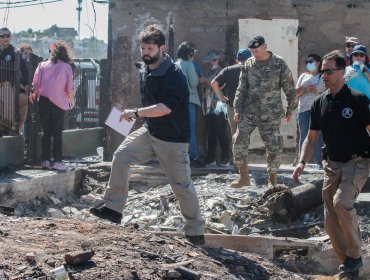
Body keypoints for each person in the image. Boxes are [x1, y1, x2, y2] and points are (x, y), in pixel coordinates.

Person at [89, 24, 205, 245]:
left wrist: (135, 113)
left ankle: (195, 232)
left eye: (149, 48)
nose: (145, 53)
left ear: (162, 48)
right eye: (142, 48)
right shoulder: (146, 68)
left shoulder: (174, 74)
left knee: (181, 186)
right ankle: (113, 209)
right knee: (121, 157)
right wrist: (134, 115)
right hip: (150, 131)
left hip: (172, 140)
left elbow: (165, 108)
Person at [293, 50, 370, 278]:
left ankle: (355, 256)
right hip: (332, 164)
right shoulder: (319, 103)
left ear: (341, 72)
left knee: (341, 203)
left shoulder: (357, 99)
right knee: (329, 219)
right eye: (322, 71)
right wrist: (301, 162)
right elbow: (312, 137)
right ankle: (346, 263)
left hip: (358, 161)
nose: (323, 75)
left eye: (328, 71)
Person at [232, 36, 295, 187]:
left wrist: (290, 108)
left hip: (270, 113)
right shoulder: (248, 64)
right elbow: (242, 88)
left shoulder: (279, 63)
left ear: (265, 47)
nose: (254, 53)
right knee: (238, 139)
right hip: (250, 111)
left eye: (257, 50)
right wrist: (237, 108)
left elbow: (289, 87)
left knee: (274, 145)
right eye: (252, 51)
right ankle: (244, 176)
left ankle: (272, 179)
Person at [29, 40, 74, 171]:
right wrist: (70, 99)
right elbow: (69, 87)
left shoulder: (42, 65)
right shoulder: (66, 67)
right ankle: (58, 161)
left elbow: (35, 83)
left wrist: (34, 95)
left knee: (46, 132)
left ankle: (45, 160)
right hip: (59, 103)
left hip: (43, 100)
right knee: (57, 133)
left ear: (52, 52)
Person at [211, 48, 252, 138]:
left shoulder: (228, 70)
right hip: (248, 108)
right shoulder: (253, 70)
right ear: (250, 59)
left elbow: (214, 83)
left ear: (237, 60)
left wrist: (221, 97)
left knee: (235, 136)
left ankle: (236, 152)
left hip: (232, 108)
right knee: (245, 137)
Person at [175, 41, 203, 168]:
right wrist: (199, 79)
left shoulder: (176, 64)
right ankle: (194, 156)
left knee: (179, 130)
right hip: (189, 101)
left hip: (176, 103)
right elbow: (194, 83)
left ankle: (180, 157)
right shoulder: (189, 65)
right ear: (190, 54)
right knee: (191, 130)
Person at [295, 54, 326, 166]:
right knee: (304, 135)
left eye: (311, 61)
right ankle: (303, 162)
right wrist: (307, 88)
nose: (308, 63)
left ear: (318, 63)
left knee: (317, 135)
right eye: (307, 61)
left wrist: (306, 89)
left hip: (317, 109)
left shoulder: (322, 76)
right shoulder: (303, 76)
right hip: (302, 109)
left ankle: (318, 161)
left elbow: (319, 89)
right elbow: (297, 92)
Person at [201, 50, 230, 167]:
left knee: (221, 132)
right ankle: (211, 158)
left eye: (211, 61)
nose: (209, 63)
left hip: (219, 106)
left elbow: (217, 85)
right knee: (211, 133)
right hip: (208, 107)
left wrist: (204, 81)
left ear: (216, 60)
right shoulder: (210, 71)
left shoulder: (221, 72)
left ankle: (226, 158)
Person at [0, 27, 29, 134]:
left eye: (7, 36)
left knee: (8, 113)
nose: (5, 38)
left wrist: (26, 85)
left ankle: (9, 131)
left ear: (11, 37)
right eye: (2, 36)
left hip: (8, 85)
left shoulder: (15, 52)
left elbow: (24, 70)